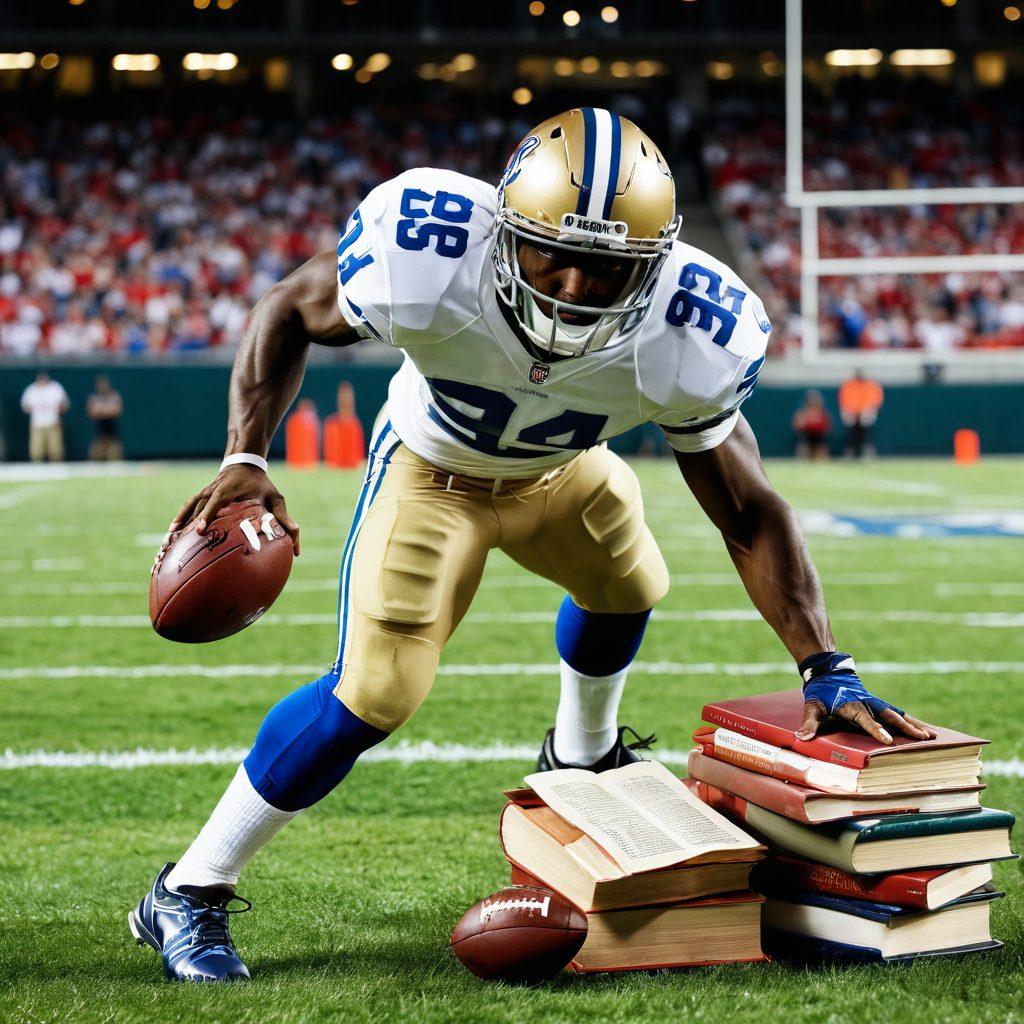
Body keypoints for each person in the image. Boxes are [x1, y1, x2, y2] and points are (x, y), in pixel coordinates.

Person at [129, 109, 934, 982]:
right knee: (375, 693)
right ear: (506, 228)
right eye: (555, 252)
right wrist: (245, 455)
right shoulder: (428, 251)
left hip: (562, 471)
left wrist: (825, 665)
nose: (578, 286)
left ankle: (580, 754)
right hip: (431, 474)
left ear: (657, 264)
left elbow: (747, 510)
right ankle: (189, 889)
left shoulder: (695, 328)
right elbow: (288, 309)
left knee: (630, 580)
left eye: (610, 266)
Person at [20, 371, 69, 463]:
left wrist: (58, 412)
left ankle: (57, 469)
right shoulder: (31, 389)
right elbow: (25, 405)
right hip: (37, 423)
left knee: (55, 450)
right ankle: (37, 470)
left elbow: (64, 404)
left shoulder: (55, 388)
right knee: (36, 451)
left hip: (53, 423)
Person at [838, 370, 884, 459]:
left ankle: (866, 450)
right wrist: (852, 410)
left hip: (865, 411)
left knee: (865, 430)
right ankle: (850, 451)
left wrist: (866, 409)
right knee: (850, 431)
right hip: (851, 411)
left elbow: (875, 399)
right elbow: (844, 399)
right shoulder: (849, 385)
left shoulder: (871, 385)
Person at [86, 375, 124, 461]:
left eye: (104, 384)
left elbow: (117, 410)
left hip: (112, 430)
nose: (102, 387)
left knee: (114, 456)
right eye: (100, 385)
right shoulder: (94, 397)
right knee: (96, 456)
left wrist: (102, 410)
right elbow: (92, 412)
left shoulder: (114, 395)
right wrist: (107, 410)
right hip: (99, 430)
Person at [791, 389, 832, 461]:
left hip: (819, 439)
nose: (813, 403)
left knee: (821, 455)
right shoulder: (802, 413)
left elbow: (828, 427)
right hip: (807, 438)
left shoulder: (823, 414)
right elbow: (796, 426)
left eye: (815, 401)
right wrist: (804, 423)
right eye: (811, 401)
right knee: (804, 452)